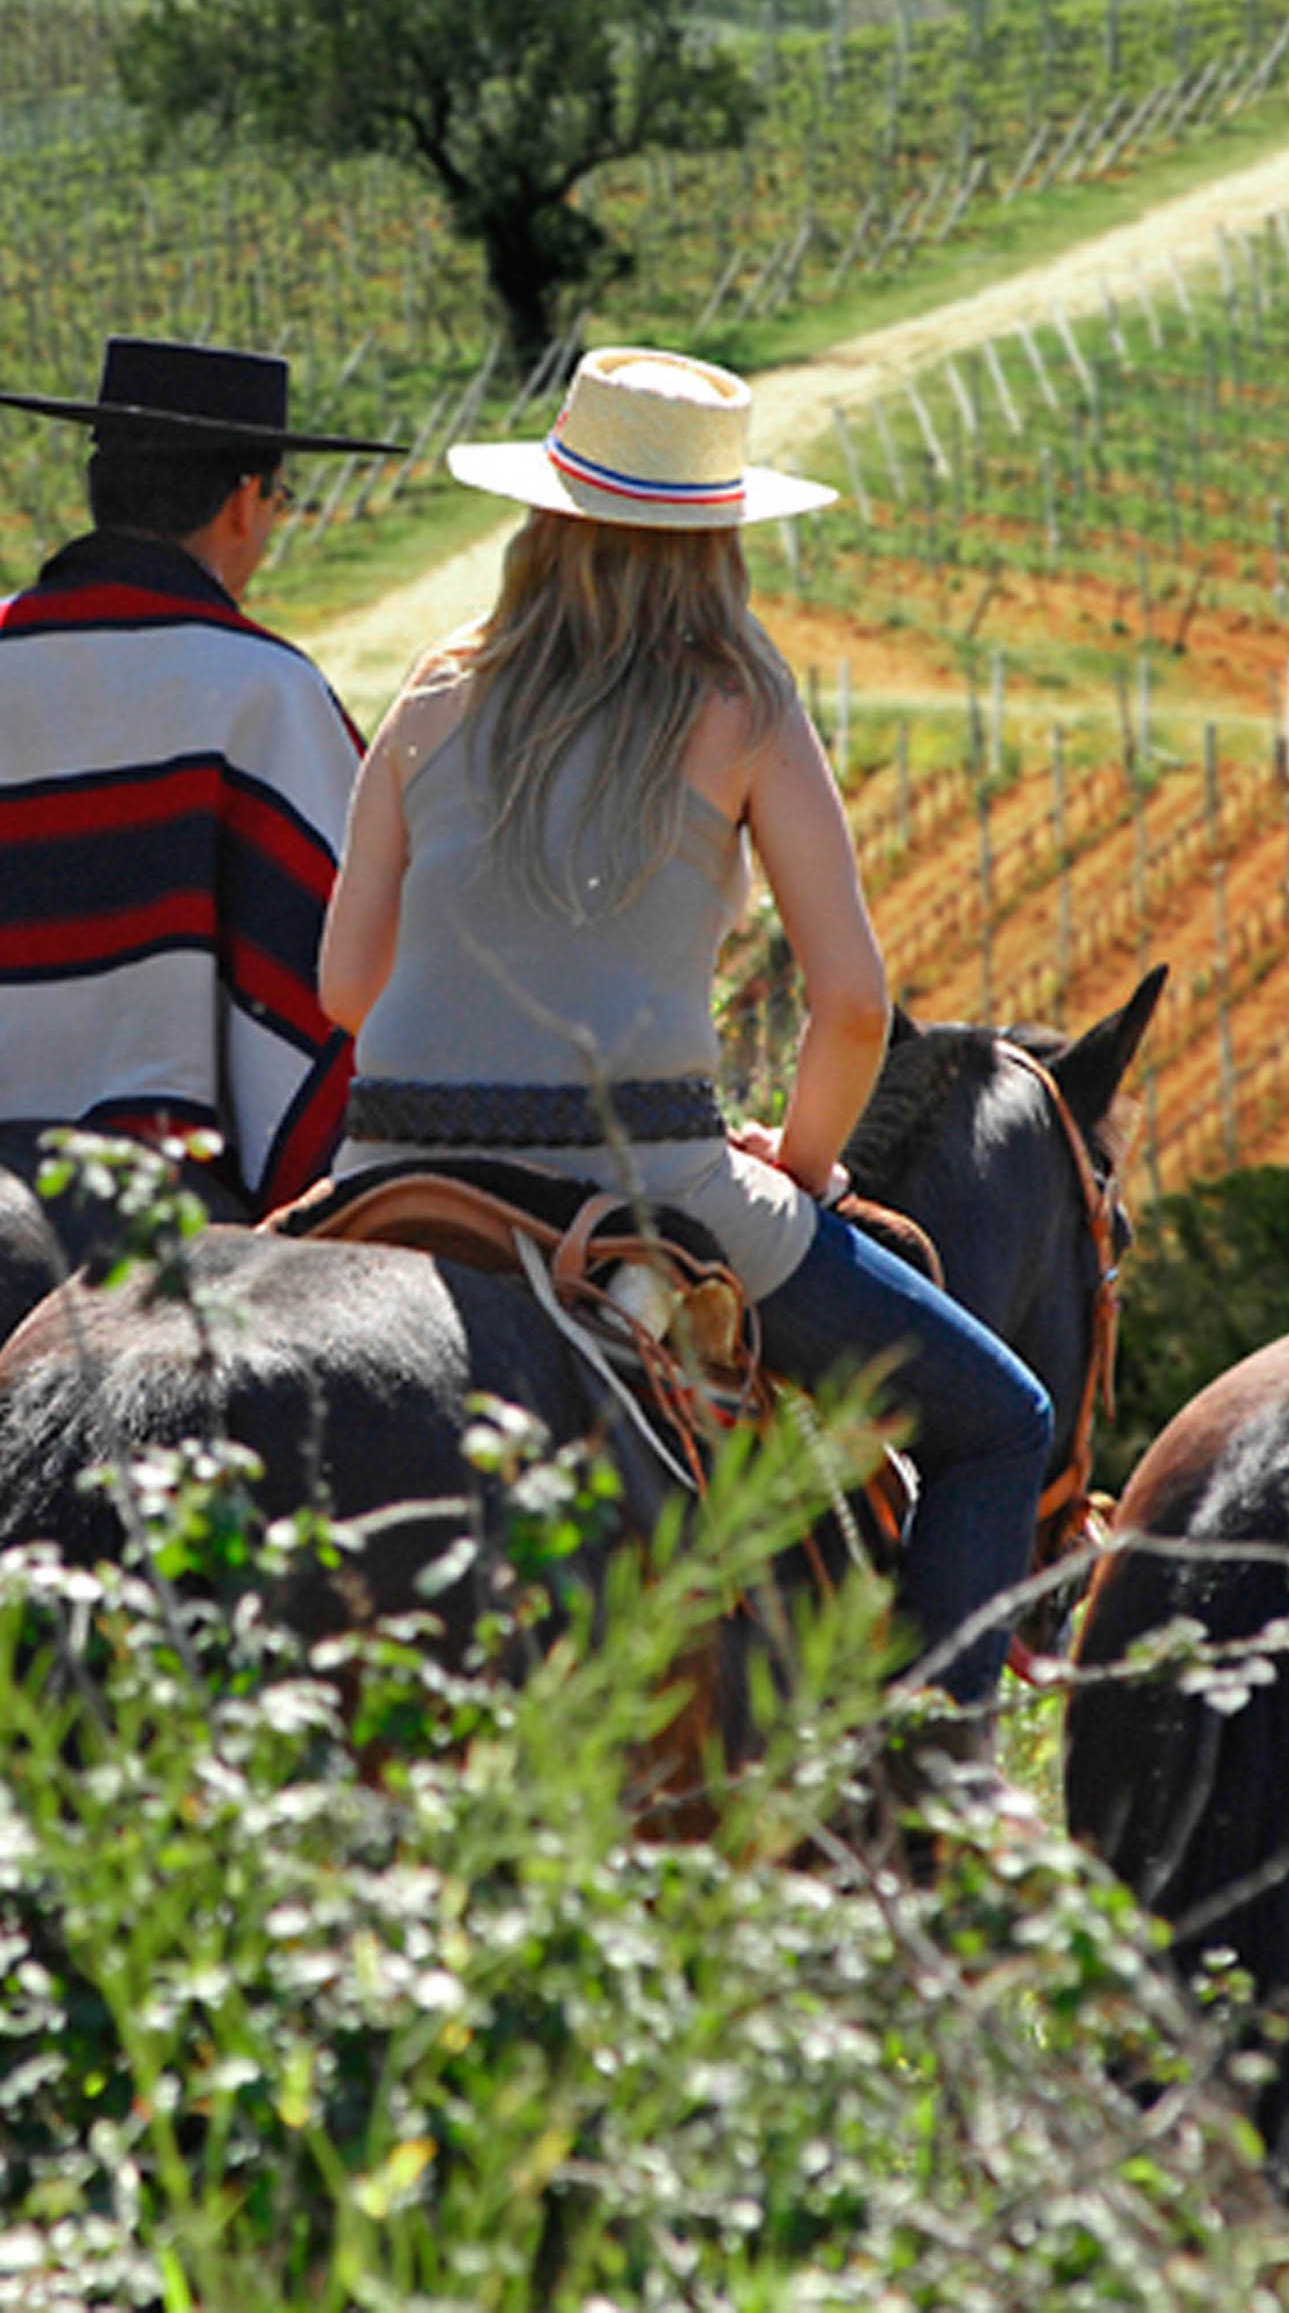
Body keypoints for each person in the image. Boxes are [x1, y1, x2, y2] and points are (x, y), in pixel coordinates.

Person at [317, 344, 1055, 1723]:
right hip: (642, 1178)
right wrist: (810, 1166)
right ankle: (935, 1797)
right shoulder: (739, 700)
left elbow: (343, 990)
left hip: (383, 1170)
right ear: (716, 540)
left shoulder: (431, 691)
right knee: (998, 1422)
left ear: (543, 516)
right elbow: (850, 1005)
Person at [0, 337, 405, 1215]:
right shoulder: (269, 689)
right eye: (279, 498)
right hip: (158, 1174)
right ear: (242, 502)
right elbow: (336, 968)